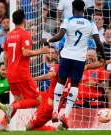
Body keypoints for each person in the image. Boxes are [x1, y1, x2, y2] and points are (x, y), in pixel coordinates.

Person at [40, 0, 106, 128]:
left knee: (61, 81)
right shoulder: (90, 23)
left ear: (72, 8)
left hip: (66, 56)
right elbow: (98, 42)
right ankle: (65, 114)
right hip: (80, 58)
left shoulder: (68, 20)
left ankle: (55, 111)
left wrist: (46, 39)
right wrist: (103, 57)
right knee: (75, 85)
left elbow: (59, 37)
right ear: (84, 8)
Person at [25, 50, 111, 131]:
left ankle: (55, 129)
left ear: (59, 57)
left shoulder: (57, 67)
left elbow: (48, 76)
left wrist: (32, 79)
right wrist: (108, 61)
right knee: (32, 96)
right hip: (55, 102)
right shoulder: (75, 68)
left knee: (28, 128)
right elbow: (92, 65)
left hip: (48, 106)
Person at [0, 9, 50, 131]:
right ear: (24, 21)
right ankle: (35, 124)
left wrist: (8, 70)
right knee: (37, 99)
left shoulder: (8, 36)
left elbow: (5, 56)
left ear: (13, 21)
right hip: (22, 73)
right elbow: (25, 53)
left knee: (18, 101)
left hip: (10, 73)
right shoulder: (25, 34)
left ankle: (3, 124)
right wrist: (42, 51)